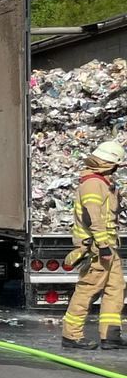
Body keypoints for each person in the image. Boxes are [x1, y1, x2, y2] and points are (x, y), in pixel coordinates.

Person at [62, 140, 126, 351]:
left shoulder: (104, 183)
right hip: (97, 248)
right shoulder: (92, 184)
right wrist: (103, 245)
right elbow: (93, 216)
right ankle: (71, 336)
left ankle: (111, 335)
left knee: (115, 289)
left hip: (108, 246)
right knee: (88, 290)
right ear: (110, 163)